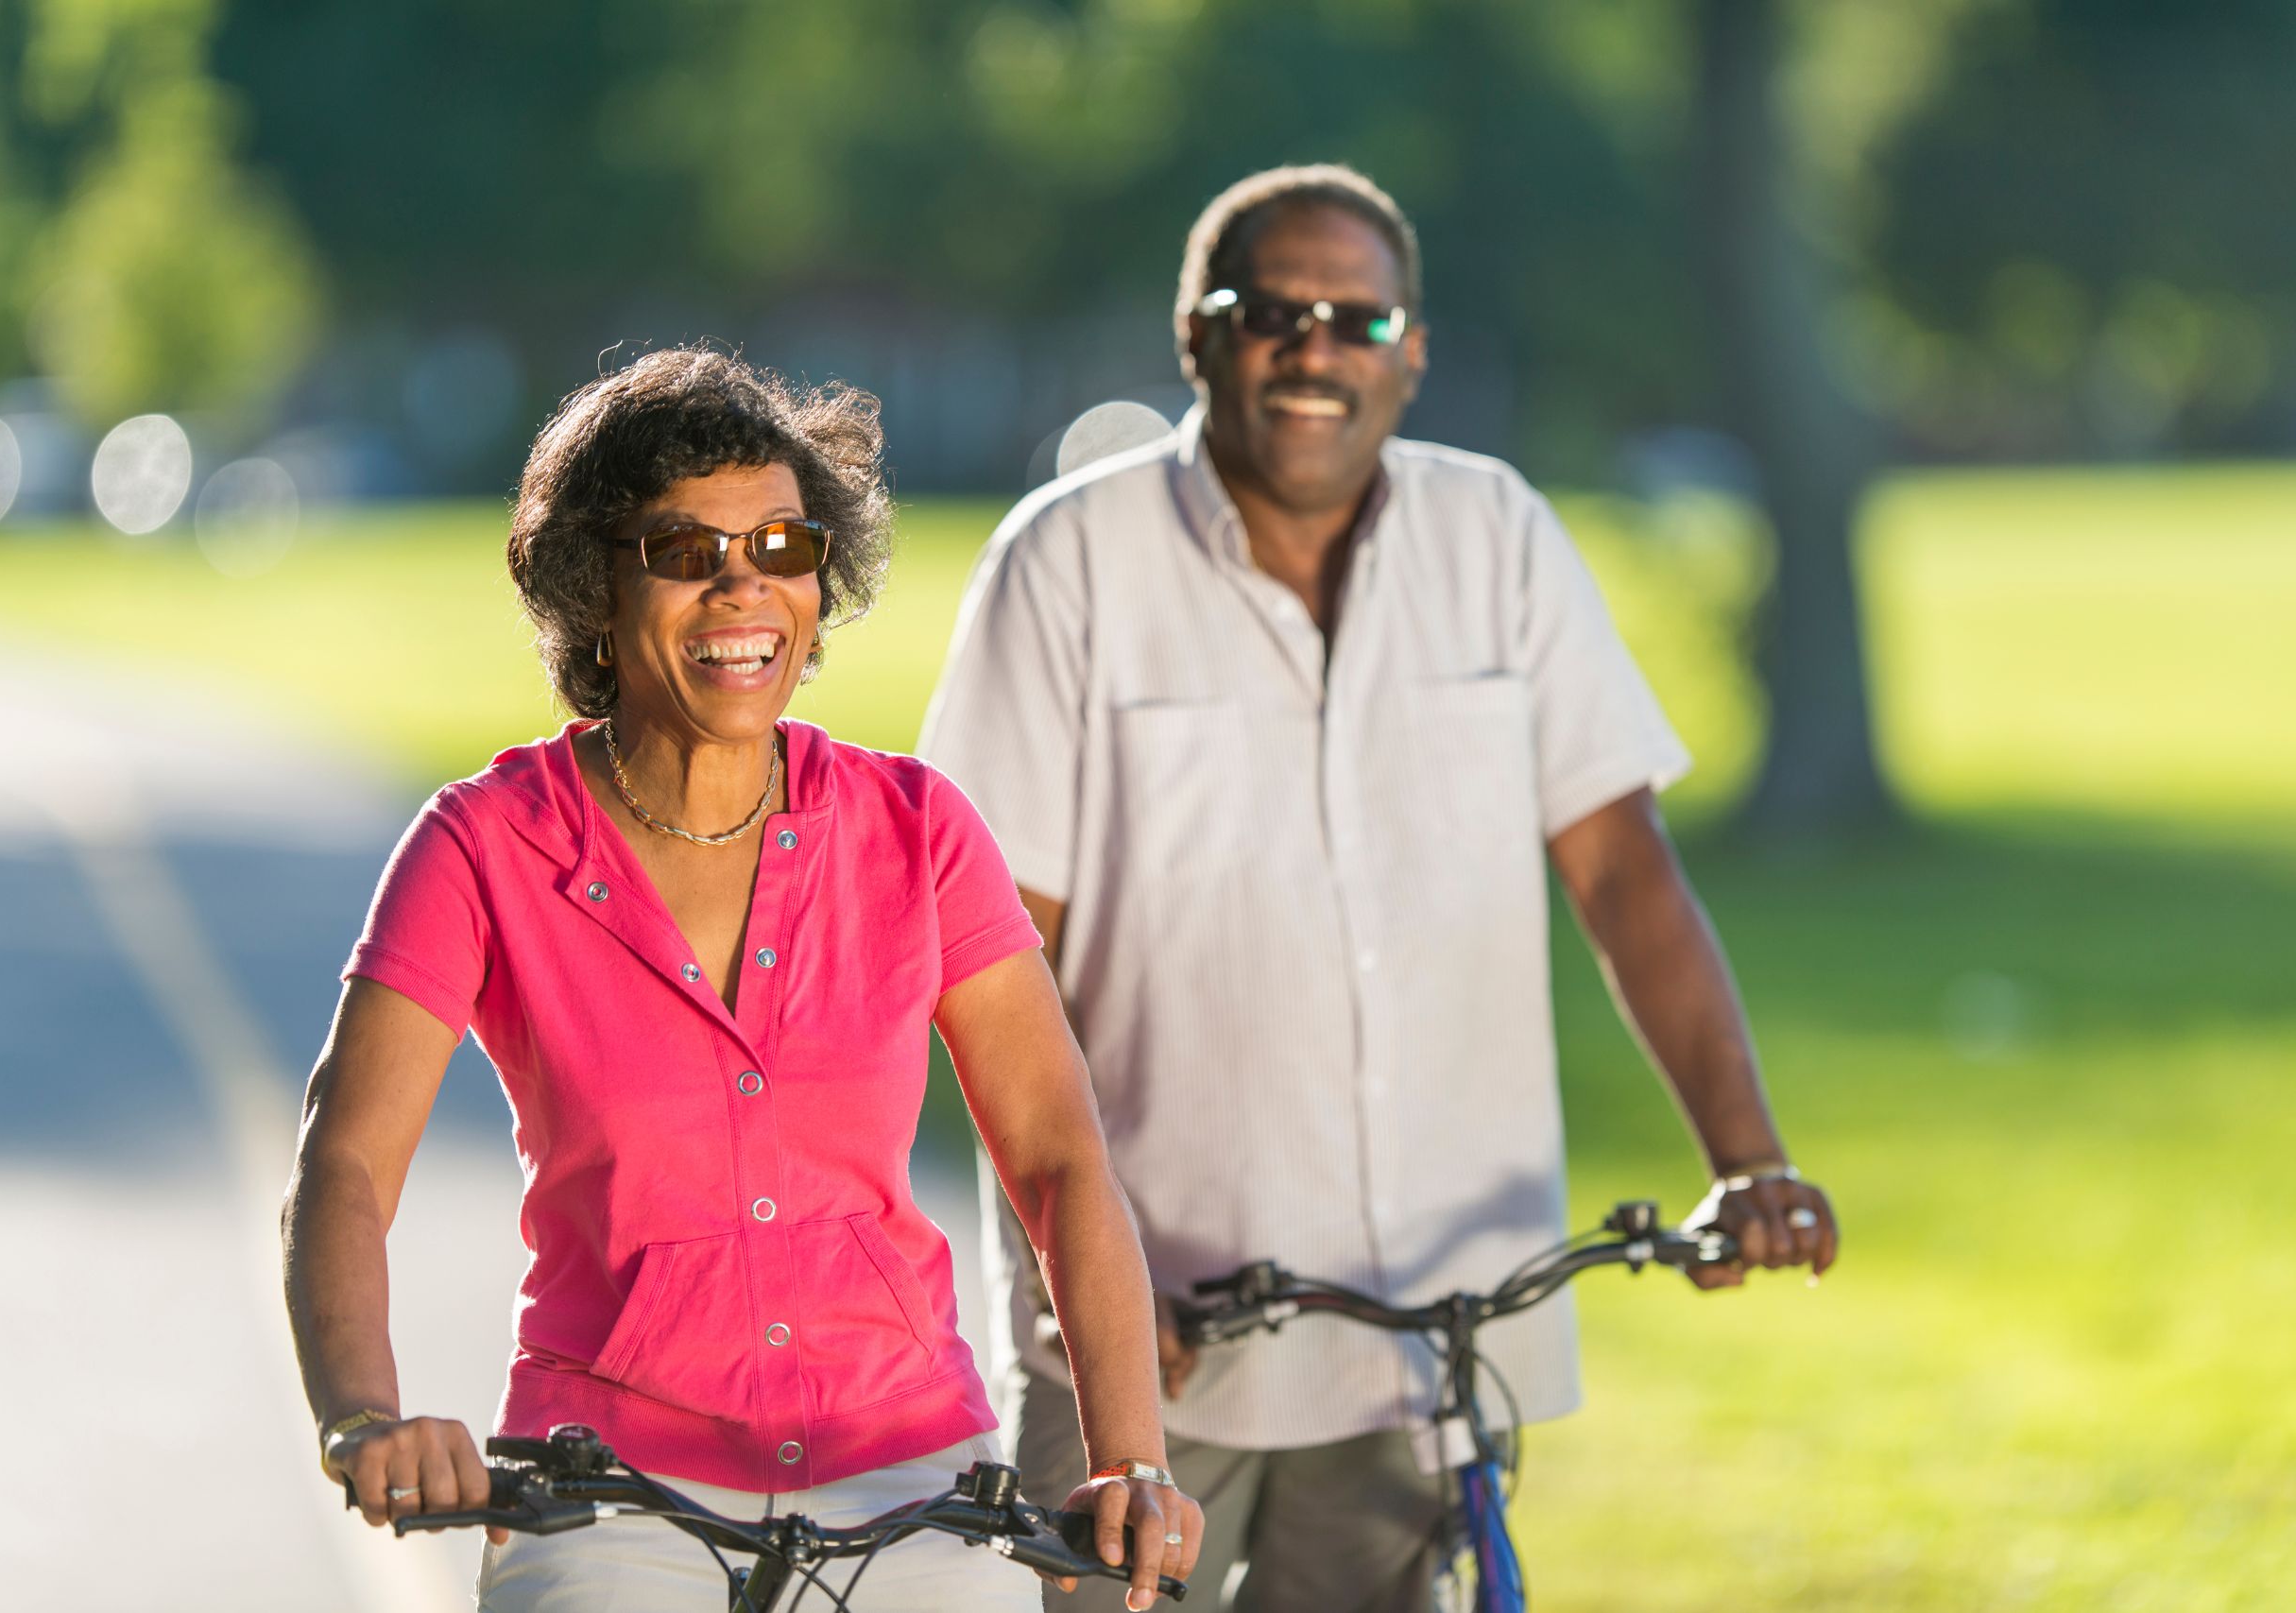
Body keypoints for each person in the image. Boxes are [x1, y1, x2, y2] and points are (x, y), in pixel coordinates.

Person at [918, 164, 1842, 1611]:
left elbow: (1621, 870)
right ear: (1196, 337)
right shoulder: (1067, 565)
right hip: (1151, 1346)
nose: (1316, 349)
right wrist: (1086, 1275)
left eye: (1359, 319)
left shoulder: (1500, 539)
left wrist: (1749, 1156)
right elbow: (984, 957)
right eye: (1273, 312)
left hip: (1426, 1331)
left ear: (1412, 352)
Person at [282, 346, 1202, 1612]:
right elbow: (344, 1169)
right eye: (683, 552)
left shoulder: (918, 831)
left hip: (910, 1485)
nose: (741, 591)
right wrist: (365, 1416)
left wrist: (1131, 1460)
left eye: (780, 548)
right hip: (606, 1494)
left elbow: (1056, 1157)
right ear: (593, 584)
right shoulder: (484, 844)